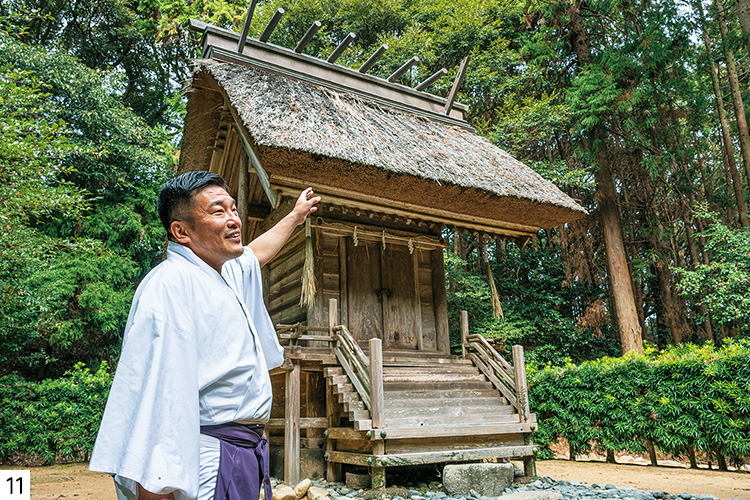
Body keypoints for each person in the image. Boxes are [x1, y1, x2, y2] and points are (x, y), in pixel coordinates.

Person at [89, 171, 320, 500]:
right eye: (217, 211)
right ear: (181, 231)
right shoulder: (171, 284)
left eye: (234, 209)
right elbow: (156, 404)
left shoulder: (221, 271)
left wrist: (295, 217)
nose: (233, 219)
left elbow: (258, 253)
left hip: (241, 450)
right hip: (209, 459)